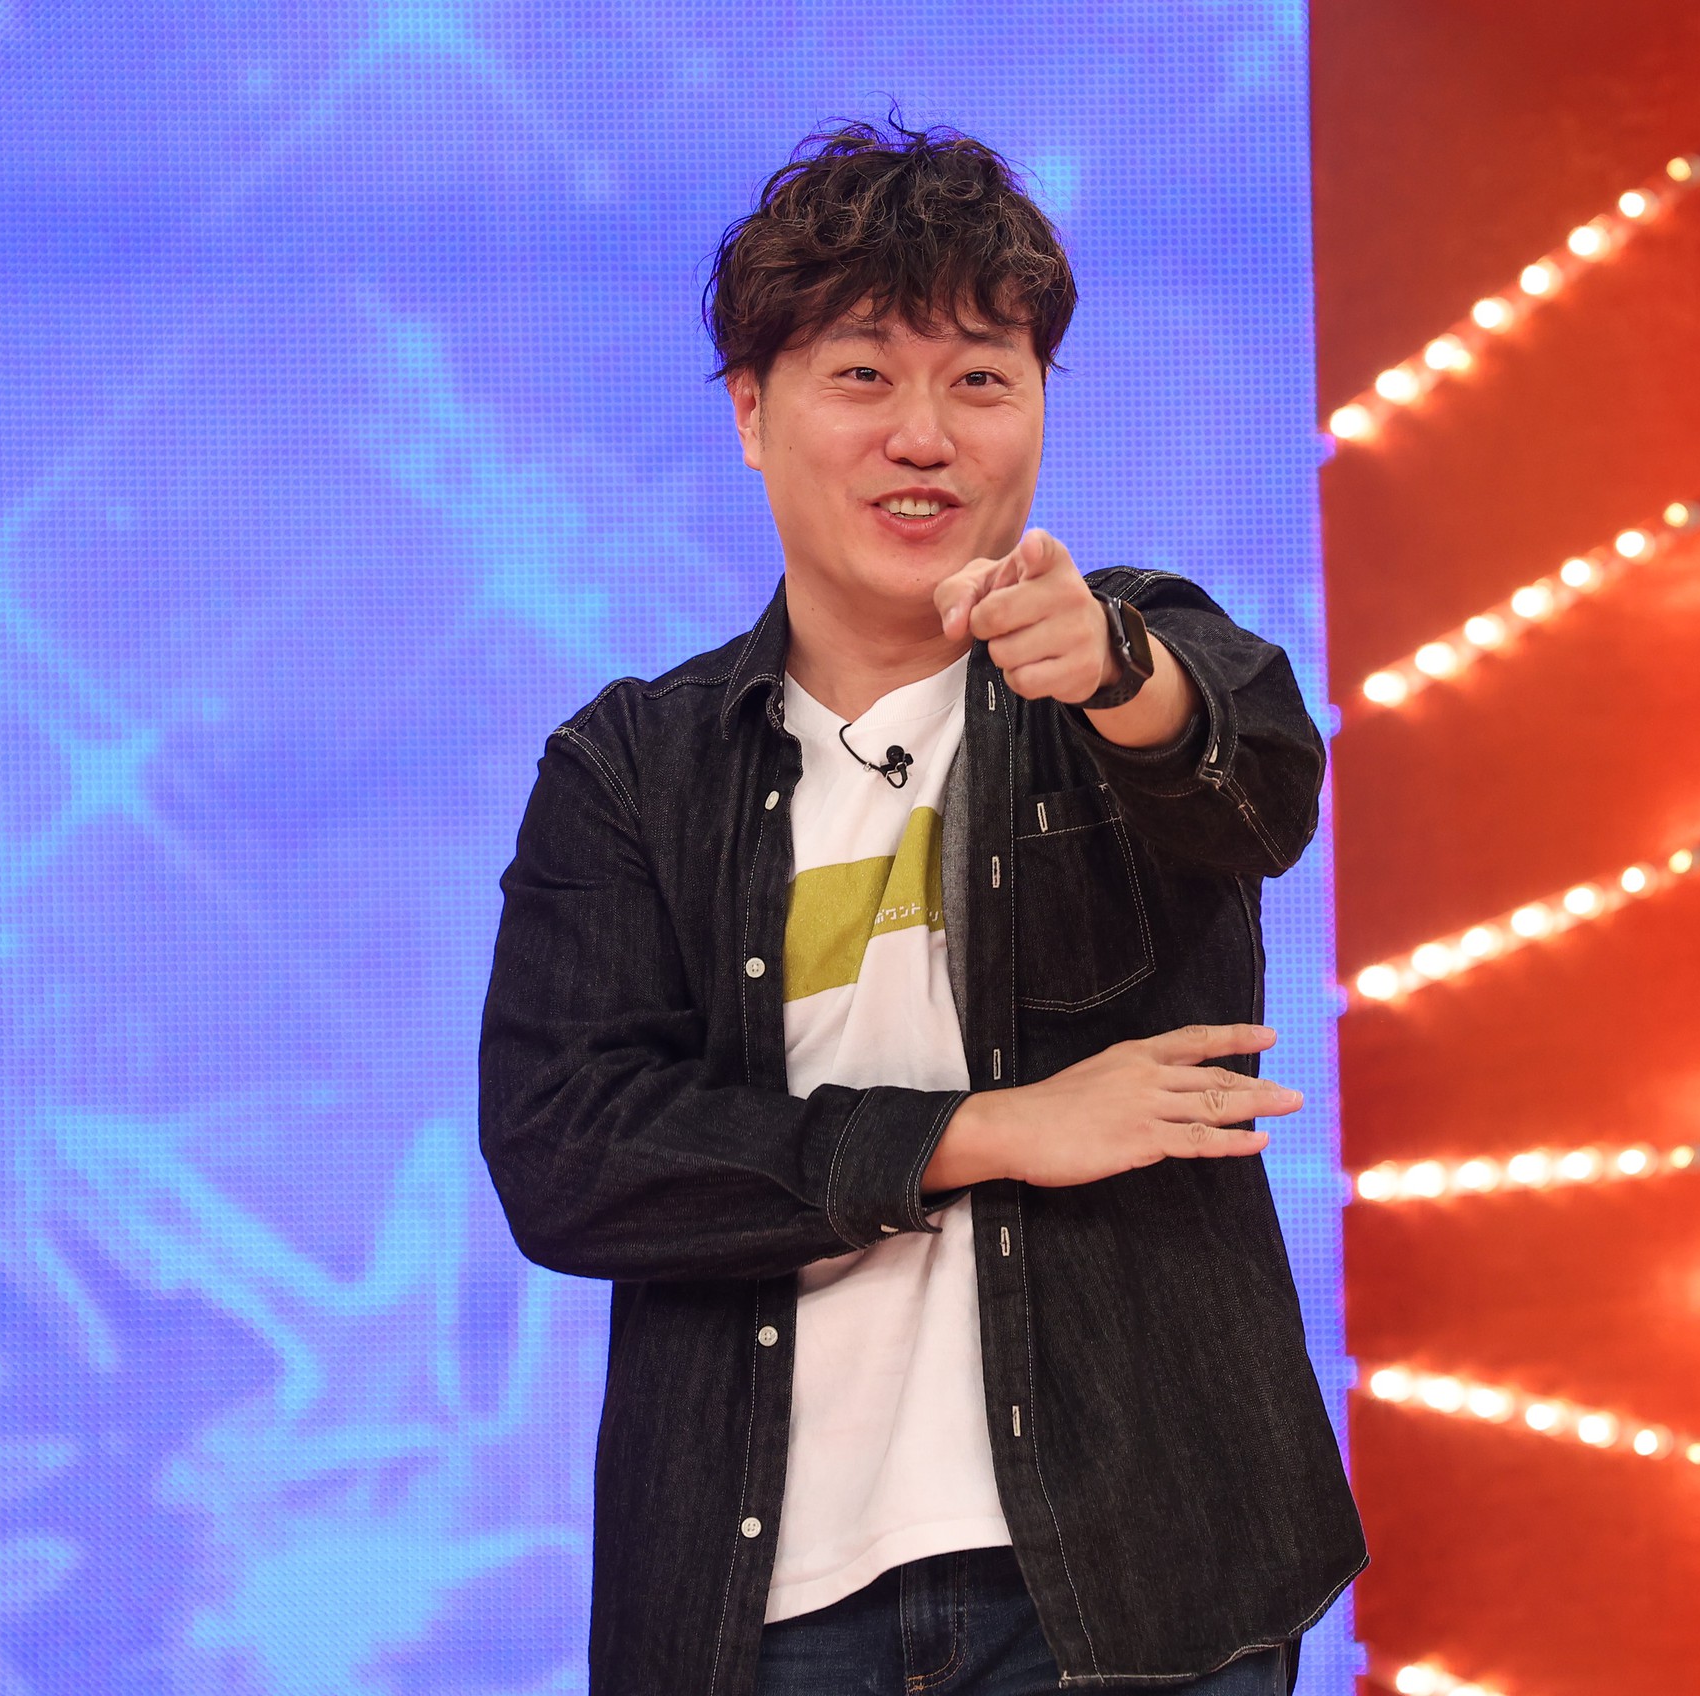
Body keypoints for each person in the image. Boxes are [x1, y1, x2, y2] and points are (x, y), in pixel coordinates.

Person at [479, 117, 1365, 1696]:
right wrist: (988, 1131)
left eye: (981, 380)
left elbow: (1261, 781)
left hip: (1138, 1582)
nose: (925, 436)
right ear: (751, 414)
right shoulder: (631, 770)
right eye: (863, 376)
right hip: (764, 1612)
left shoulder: (1121, 659)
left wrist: (1119, 674)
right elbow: (570, 1160)